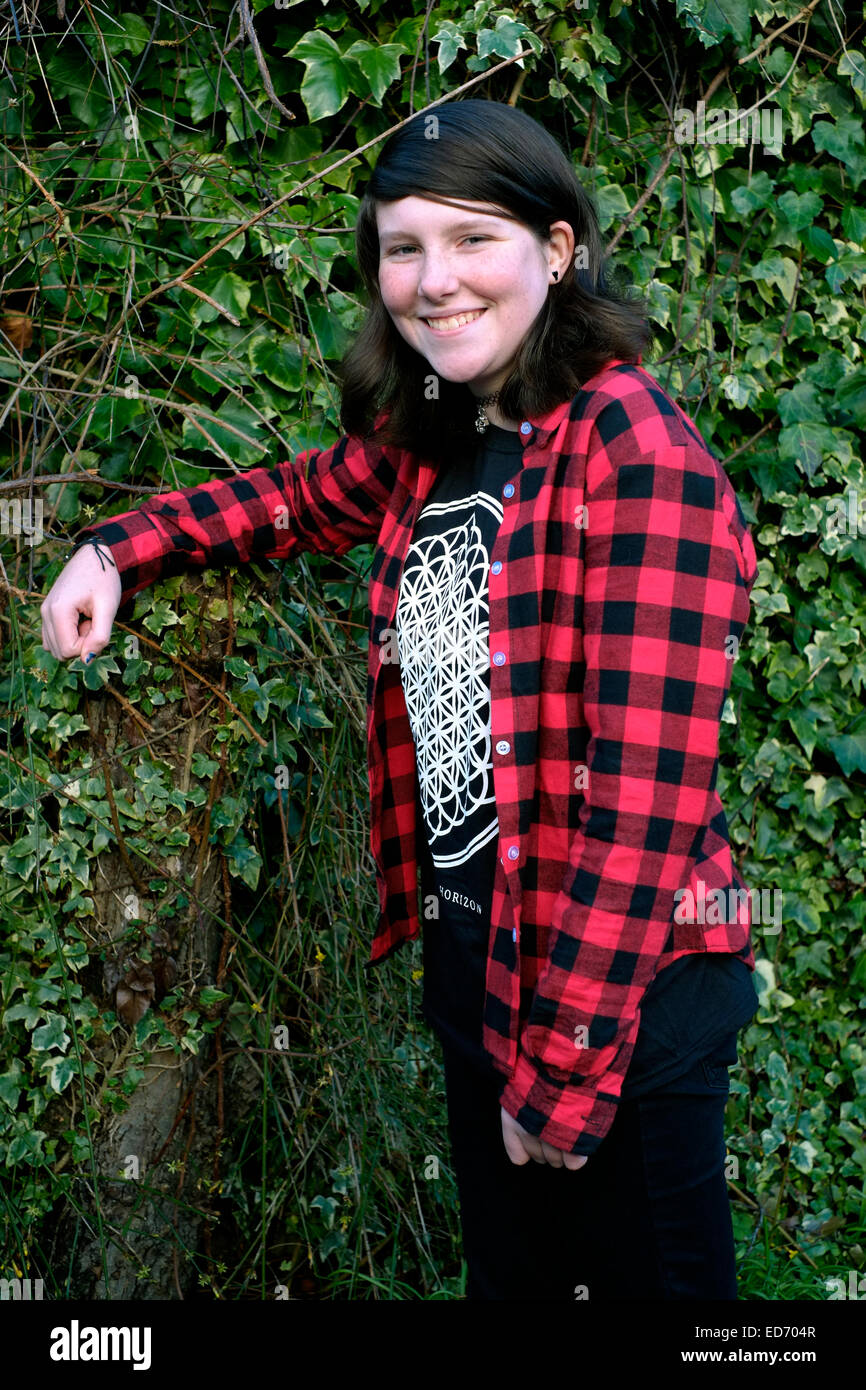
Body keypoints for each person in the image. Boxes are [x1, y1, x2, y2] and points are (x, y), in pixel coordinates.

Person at [40, 99, 760, 1301]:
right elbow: (293, 499)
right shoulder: (445, 430)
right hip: (482, 978)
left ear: (557, 249)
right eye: (402, 247)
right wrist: (116, 551)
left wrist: (563, 1071)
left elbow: (642, 809)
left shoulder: (635, 456)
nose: (433, 281)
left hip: (620, 1008)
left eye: (473, 238)